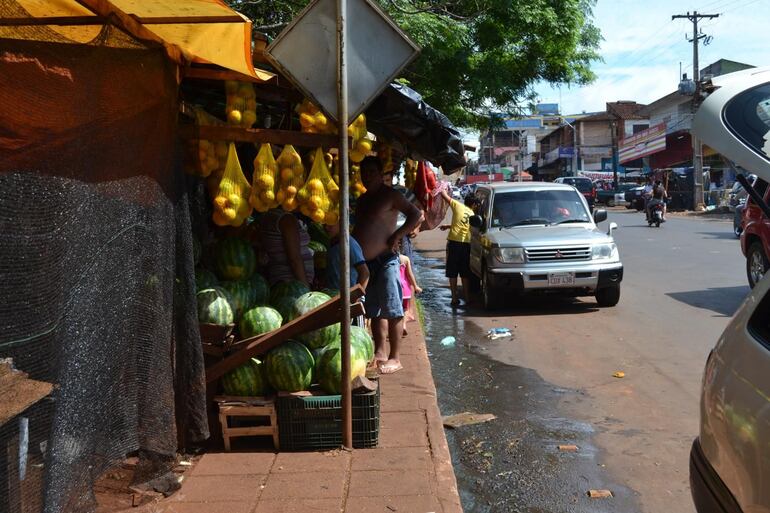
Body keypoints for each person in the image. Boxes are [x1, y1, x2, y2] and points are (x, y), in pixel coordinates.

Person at [353, 156, 422, 374]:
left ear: (381, 173)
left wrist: (398, 235)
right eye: (364, 172)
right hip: (367, 264)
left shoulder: (390, 195)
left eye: (372, 172)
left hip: (386, 260)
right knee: (374, 310)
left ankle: (395, 357)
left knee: (392, 308)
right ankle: (380, 352)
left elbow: (416, 214)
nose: (367, 176)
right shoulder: (363, 199)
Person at [439, 190, 478, 306]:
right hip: (465, 245)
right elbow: (465, 224)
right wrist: (449, 226)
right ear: (474, 204)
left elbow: (443, 195)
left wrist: (443, 189)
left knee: (452, 272)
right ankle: (467, 297)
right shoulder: (472, 214)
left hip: (454, 243)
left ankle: (454, 298)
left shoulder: (457, 205)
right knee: (465, 273)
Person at [260, 209, 314, 286]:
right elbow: (295, 259)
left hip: (279, 279)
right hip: (292, 282)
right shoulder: (286, 219)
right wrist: (305, 287)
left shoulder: (268, 215)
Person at [324, 221, 370, 291]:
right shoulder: (332, 243)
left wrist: (356, 296)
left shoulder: (350, 244)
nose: (326, 228)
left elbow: (364, 273)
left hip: (347, 296)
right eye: (324, 224)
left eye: (330, 225)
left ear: (342, 223)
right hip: (335, 294)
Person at [398, 244, 422, 336]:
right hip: (405, 290)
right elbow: (409, 275)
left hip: (395, 289)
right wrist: (415, 286)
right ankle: (403, 325)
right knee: (404, 309)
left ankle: (392, 329)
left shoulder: (389, 259)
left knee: (394, 309)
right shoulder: (405, 259)